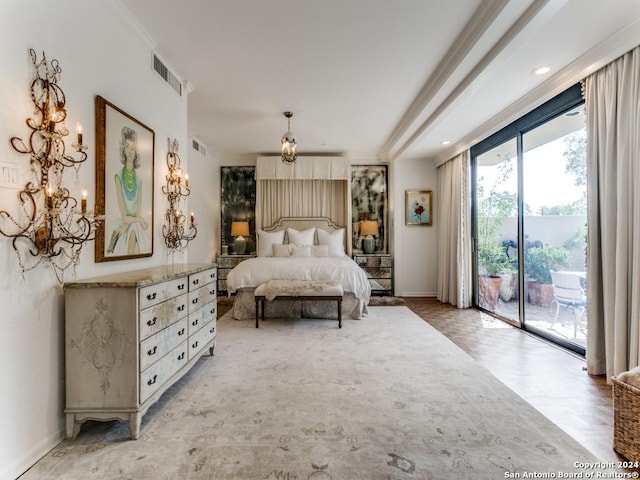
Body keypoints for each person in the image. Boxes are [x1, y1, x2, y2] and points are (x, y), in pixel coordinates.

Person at [107, 126, 149, 255]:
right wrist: (139, 220)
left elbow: (138, 213)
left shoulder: (139, 180)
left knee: (134, 228)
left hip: (132, 224)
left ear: (136, 151)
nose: (130, 152)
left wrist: (136, 221)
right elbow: (125, 217)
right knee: (135, 226)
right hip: (124, 222)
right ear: (123, 150)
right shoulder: (118, 177)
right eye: (127, 147)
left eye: (133, 148)